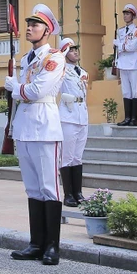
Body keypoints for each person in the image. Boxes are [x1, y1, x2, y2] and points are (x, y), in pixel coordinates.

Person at [6, 4, 66, 265]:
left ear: (47, 30)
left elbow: (37, 91)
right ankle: (36, 243)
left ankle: (52, 246)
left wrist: (15, 87)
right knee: (33, 189)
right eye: (28, 24)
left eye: (35, 25)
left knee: (49, 188)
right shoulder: (26, 58)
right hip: (25, 127)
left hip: (44, 125)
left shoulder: (55, 57)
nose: (29, 28)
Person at [57, 37, 88, 208]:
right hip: (68, 115)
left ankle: (78, 192)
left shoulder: (82, 72)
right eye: (71, 49)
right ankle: (68, 194)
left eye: (76, 49)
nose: (75, 52)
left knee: (77, 156)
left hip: (82, 114)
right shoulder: (61, 70)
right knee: (67, 156)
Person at [113, 3, 137, 126]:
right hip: (123, 62)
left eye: (128, 14)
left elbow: (132, 47)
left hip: (133, 62)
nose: (125, 16)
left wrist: (119, 45)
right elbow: (119, 49)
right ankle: (127, 118)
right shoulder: (120, 31)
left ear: (133, 16)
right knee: (126, 91)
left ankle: (134, 119)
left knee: (134, 91)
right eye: (124, 14)